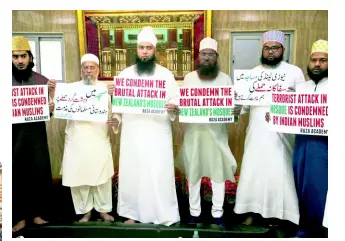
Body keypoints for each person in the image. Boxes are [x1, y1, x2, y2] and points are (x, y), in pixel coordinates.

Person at [234, 30, 305, 226]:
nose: (271, 52)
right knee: (254, 171)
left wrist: (286, 107)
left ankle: (283, 215)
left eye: (275, 48)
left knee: (279, 172)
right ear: (262, 50)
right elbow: (243, 107)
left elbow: (304, 106)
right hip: (256, 132)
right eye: (267, 48)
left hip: (281, 134)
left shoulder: (294, 72)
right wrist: (235, 106)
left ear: (283, 49)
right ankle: (251, 211)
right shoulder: (253, 74)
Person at [110, 26, 180, 226]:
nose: (145, 51)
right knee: (134, 172)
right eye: (141, 47)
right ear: (137, 49)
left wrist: (174, 106)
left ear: (154, 50)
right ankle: (133, 213)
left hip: (158, 133)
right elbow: (119, 105)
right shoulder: (125, 75)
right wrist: (116, 118)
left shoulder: (166, 75)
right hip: (133, 133)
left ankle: (161, 212)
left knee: (158, 172)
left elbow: (175, 101)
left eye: (149, 48)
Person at [176, 37, 237, 227]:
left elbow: (232, 108)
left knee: (217, 173)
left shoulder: (225, 78)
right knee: (193, 172)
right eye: (204, 54)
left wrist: (235, 111)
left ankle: (217, 213)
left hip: (217, 136)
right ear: (198, 56)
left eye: (211, 54)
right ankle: (194, 212)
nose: (207, 58)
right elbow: (183, 103)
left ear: (216, 57)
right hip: (194, 135)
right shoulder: (189, 78)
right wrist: (178, 108)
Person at [52, 54, 115, 222]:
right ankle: (85, 211)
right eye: (85, 68)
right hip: (77, 140)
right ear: (81, 70)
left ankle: (103, 210)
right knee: (80, 177)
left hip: (98, 139)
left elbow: (114, 114)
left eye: (92, 67)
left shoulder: (105, 90)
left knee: (102, 176)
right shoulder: (71, 89)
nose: (88, 71)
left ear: (98, 70)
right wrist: (53, 100)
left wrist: (114, 120)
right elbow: (60, 107)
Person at [12, 36, 55, 232]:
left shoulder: (41, 81)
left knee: (38, 172)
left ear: (30, 57)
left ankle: (37, 214)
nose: (19, 61)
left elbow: (50, 111)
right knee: (16, 175)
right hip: (13, 138)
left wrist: (52, 102)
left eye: (23, 56)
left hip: (36, 138)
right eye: (15, 57)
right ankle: (19, 217)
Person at [292, 39, 328, 238]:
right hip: (301, 145)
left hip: (324, 147)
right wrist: (277, 116)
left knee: (320, 188)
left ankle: (321, 230)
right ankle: (304, 227)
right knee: (300, 185)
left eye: (323, 60)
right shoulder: (301, 88)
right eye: (314, 60)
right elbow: (290, 114)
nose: (317, 64)